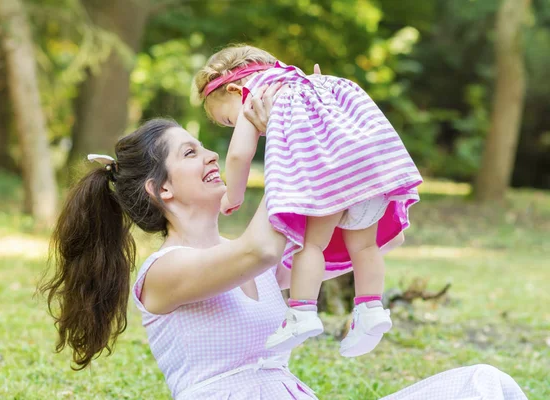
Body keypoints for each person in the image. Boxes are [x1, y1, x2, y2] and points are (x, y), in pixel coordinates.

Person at [38, 95, 526, 399]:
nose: (211, 154)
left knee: (482, 384)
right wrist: (290, 138)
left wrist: (326, 117)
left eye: (204, 146)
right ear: (160, 189)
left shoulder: (254, 262)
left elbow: (347, 241)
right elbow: (264, 248)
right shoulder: (165, 274)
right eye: (190, 153)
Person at [193, 45, 423, 356]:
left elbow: (238, 155)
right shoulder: (308, 82)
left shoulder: (259, 93)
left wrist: (232, 195)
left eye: (229, 120)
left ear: (235, 89)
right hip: (369, 177)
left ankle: (301, 313)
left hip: (329, 180)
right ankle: (371, 311)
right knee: (365, 247)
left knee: (311, 246)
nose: (236, 125)